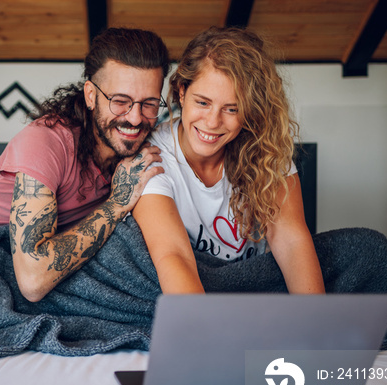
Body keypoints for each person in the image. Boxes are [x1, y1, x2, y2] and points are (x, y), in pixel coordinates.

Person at [0, 27, 170, 302]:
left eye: (150, 104)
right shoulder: (45, 141)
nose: (136, 118)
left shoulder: (137, 152)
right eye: (120, 102)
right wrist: (117, 203)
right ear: (91, 95)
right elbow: (33, 281)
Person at [132, 27, 325, 295]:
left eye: (232, 109)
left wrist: (316, 321)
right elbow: (173, 255)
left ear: (251, 111)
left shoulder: (266, 150)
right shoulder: (152, 155)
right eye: (203, 103)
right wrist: (207, 331)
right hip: (190, 283)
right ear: (182, 92)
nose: (212, 122)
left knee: (365, 246)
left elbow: (291, 240)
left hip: (250, 282)